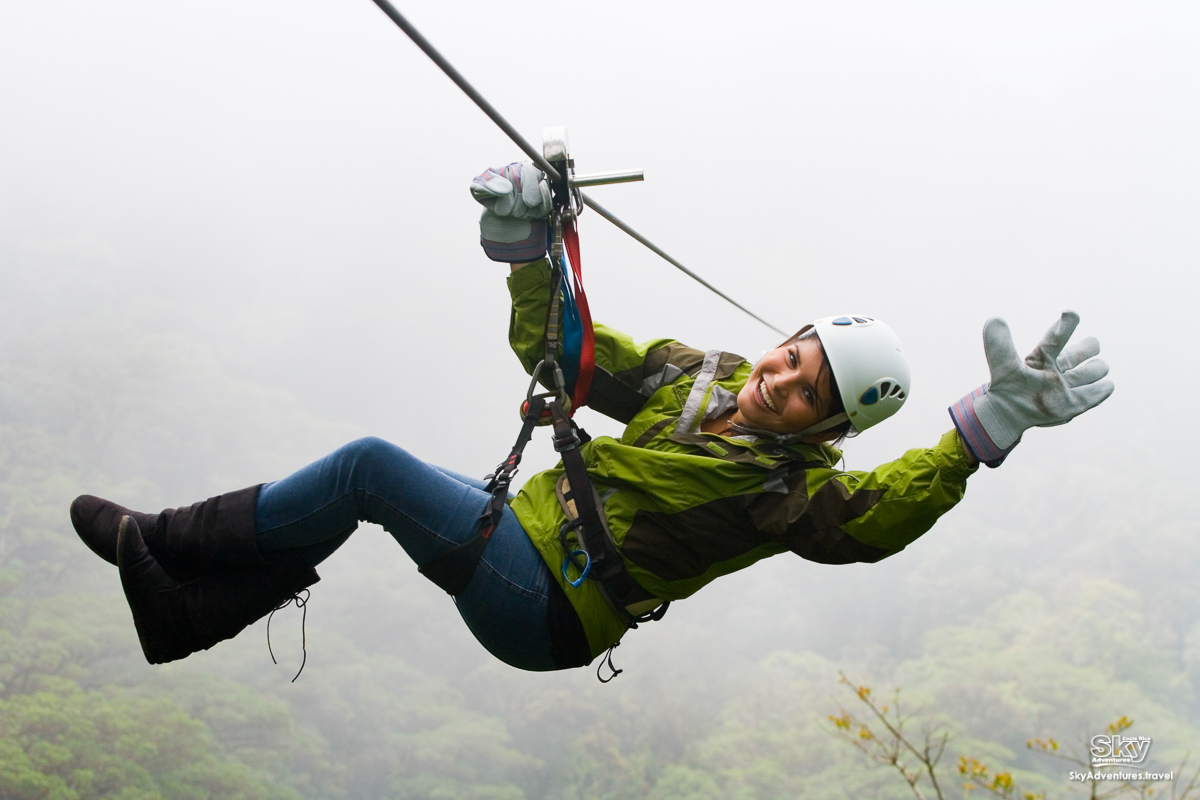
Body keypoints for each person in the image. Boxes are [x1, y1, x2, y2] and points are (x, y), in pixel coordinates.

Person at [70, 162, 1114, 674]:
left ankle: (159, 548)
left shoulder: (787, 494)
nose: (783, 384)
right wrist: (533, 253)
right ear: (782, 337)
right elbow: (572, 355)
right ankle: (185, 602)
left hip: (557, 604)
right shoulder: (691, 375)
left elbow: (882, 515)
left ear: (824, 431)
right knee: (363, 489)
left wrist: (986, 430)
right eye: (793, 357)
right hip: (524, 549)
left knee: (369, 469)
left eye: (808, 395)